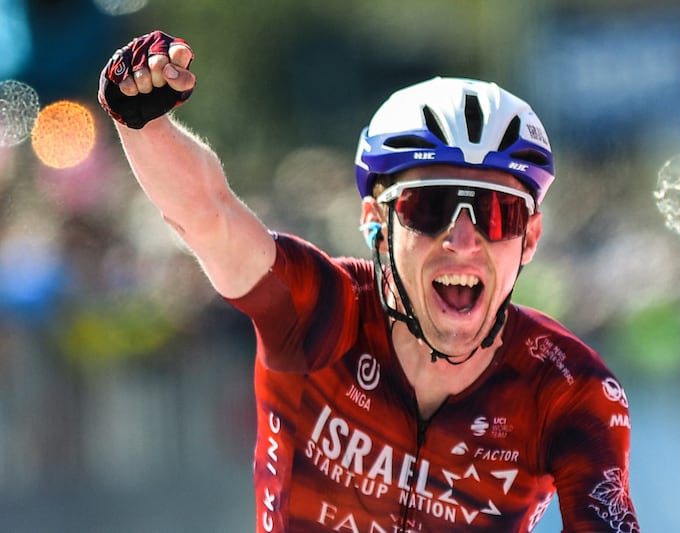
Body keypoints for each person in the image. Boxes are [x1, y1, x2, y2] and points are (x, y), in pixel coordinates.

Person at [98, 30, 639, 533]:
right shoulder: (321, 314)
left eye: (499, 214)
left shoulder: (565, 389)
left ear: (531, 237)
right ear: (375, 222)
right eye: (431, 206)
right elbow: (209, 214)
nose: (464, 240)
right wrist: (139, 120)